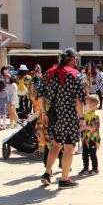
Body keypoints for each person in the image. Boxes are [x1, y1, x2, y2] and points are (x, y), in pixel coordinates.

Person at [38, 48, 86, 189]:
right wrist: (82, 118)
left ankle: (47, 173)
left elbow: (40, 95)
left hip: (54, 115)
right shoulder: (76, 75)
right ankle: (64, 179)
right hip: (70, 116)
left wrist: (43, 113)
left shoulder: (49, 73)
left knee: (56, 144)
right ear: (73, 59)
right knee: (69, 147)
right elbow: (78, 100)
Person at [79, 94, 101, 175]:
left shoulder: (95, 116)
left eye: (87, 104)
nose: (85, 106)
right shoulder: (85, 116)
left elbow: (93, 128)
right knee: (84, 154)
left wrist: (85, 127)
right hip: (85, 138)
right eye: (85, 104)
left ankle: (95, 169)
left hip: (93, 139)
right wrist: (81, 128)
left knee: (92, 154)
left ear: (94, 106)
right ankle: (85, 168)